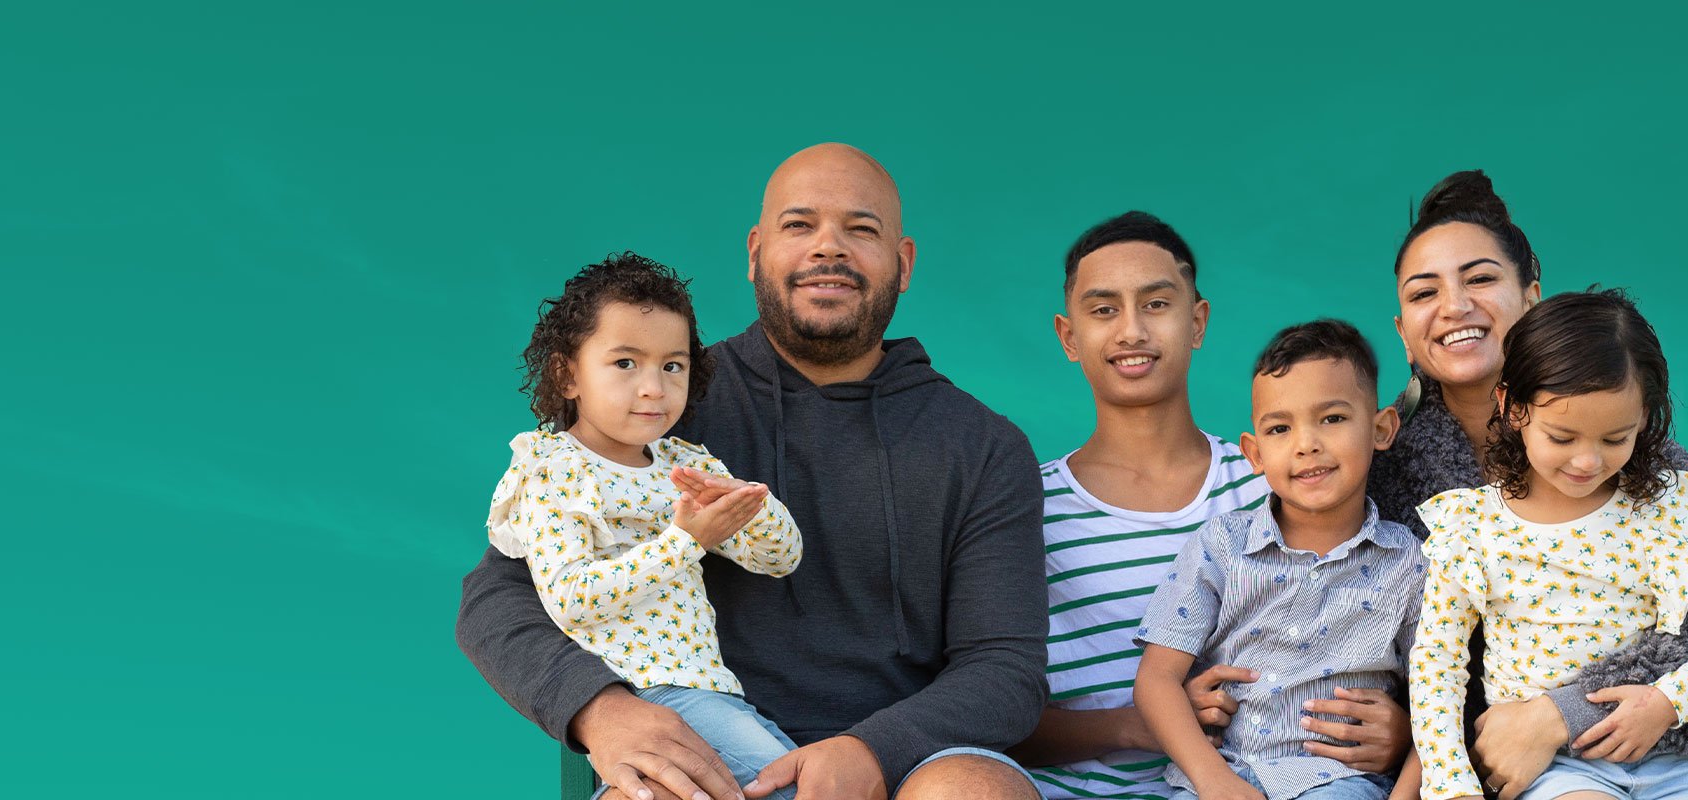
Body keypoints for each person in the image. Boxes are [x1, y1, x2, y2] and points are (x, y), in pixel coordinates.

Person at [458, 143, 1046, 800]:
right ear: (755, 253)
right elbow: (496, 600)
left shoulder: (983, 446)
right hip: (704, 749)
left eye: (861, 229)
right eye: (800, 227)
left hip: (909, 766)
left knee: (972, 793)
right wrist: (603, 711)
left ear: (903, 264)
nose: (829, 248)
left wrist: (872, 751)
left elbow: (1005, 670)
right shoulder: (660, 407)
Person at [1362, 171, 1688, 795]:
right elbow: (1398, 647)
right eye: (1425, 293)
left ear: (1533, 298)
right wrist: (1422, 742)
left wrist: (1562, 715)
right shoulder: (1393, 476)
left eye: (1480, 278)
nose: (1454, 307)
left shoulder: (1652, 476)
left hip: (1626, 758)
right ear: (1403, 332)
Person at [1008, 214, 1408, 800]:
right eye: (1103, 310)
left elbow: (1383, 641)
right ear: (1069, 337)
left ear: (1196, 321)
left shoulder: (1278, 487)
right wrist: (1136, 726)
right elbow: (990, 713)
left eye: (1156, 303)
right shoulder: (1025, 508)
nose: (1131, 331)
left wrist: (1401, 733)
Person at [485, 252, 807, 798]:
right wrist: (686, 542)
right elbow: (571, 597)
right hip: (644, 696)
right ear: (568, 374)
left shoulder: (684, 463)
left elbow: (781, 559)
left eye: (672, 365)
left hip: (716, 692)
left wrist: (751, 504)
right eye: (626, 363)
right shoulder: (551, 471)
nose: (654, 387)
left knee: (801, 781)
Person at [1131, 319, 1424, 800]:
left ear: (1381, 429)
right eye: (1280, 428)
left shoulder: (1409, 563)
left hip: (1338, 783)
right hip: (1217, 777)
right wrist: (1215, 782)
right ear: (1255, 452)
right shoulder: (1223, 546)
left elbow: (1439, 698)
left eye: (1332, 418)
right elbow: (1156, 679)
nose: (1306, 443)